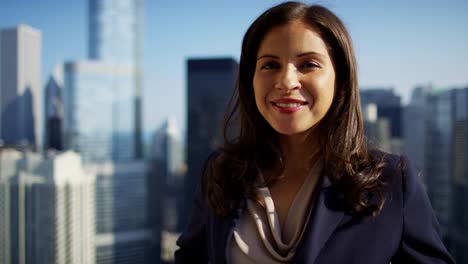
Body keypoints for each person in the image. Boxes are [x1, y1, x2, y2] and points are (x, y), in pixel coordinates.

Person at [175, 1, 455, 263]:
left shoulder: (390, 182)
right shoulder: (221, 172)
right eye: (270, 65)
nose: (286, 81)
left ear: (342, 83)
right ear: (251, 81)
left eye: (308, 64)